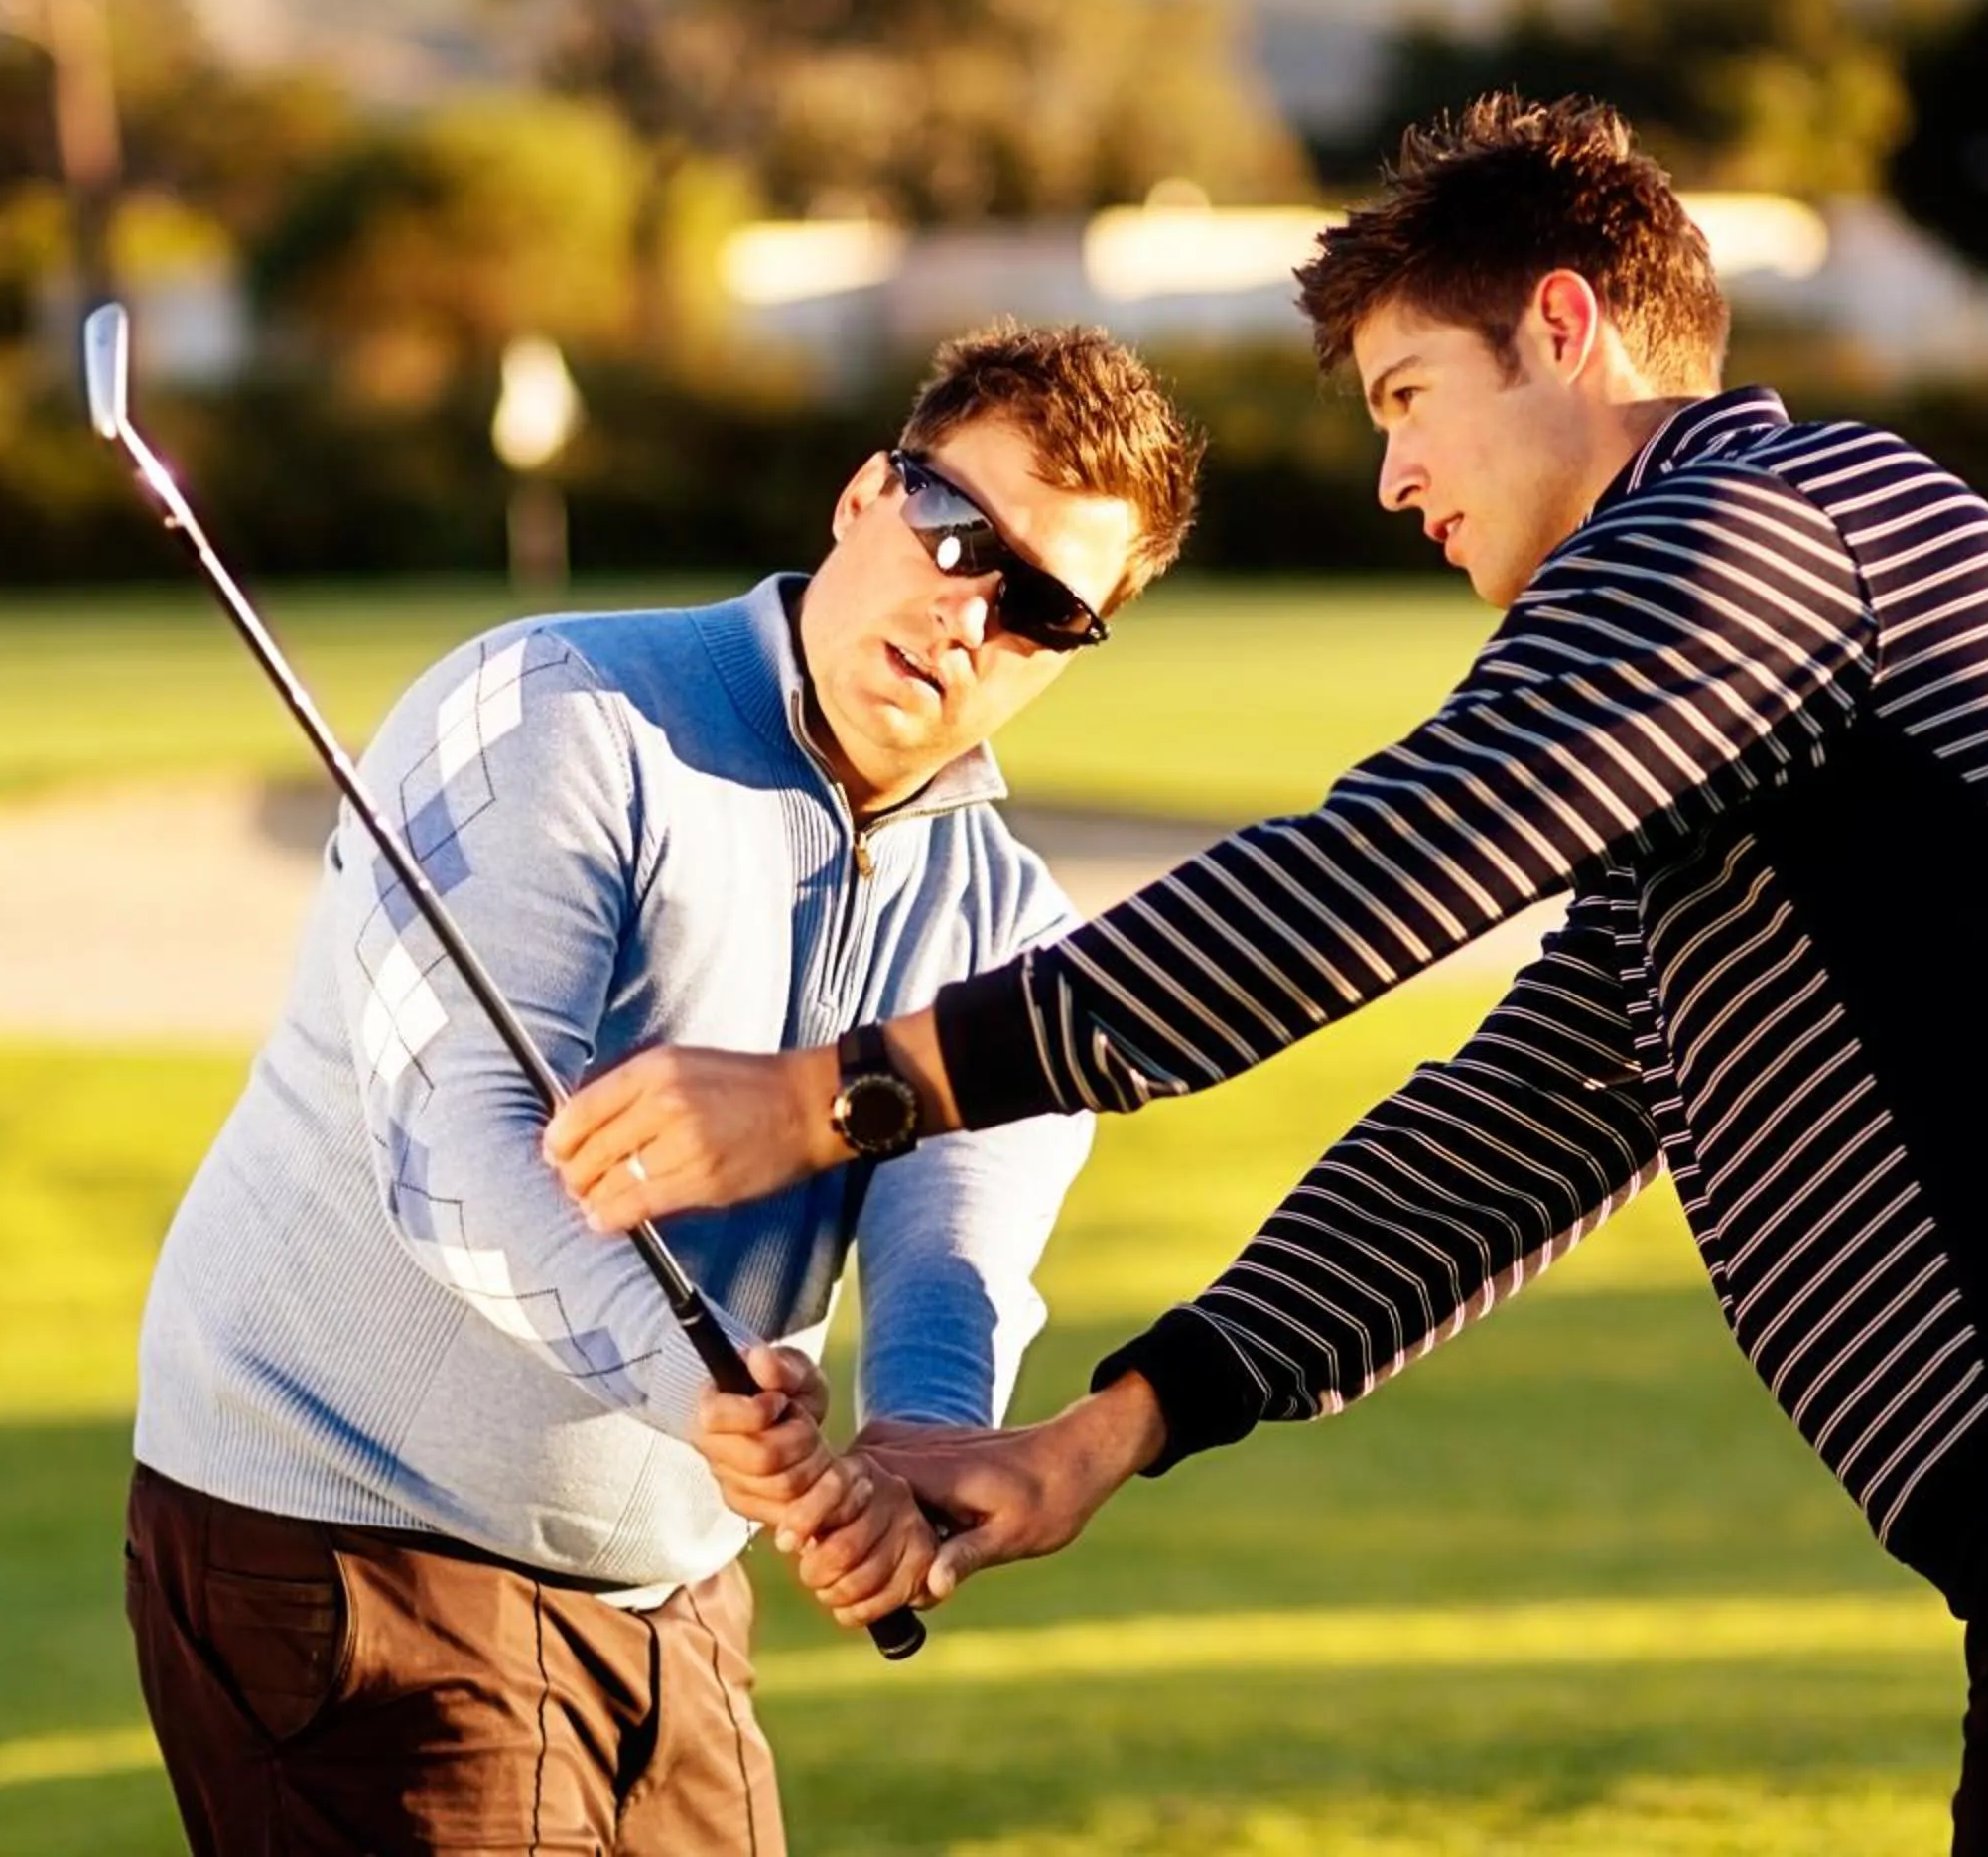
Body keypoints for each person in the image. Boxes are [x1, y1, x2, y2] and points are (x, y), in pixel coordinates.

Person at [545, 97, 1988, 1856]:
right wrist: (1110, 1429)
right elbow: (1520, 1122)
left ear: (1566, 329)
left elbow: (1369, 879)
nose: (1393, 480)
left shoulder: (1745, 537)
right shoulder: (1741, 707)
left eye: (1403, 396)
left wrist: (825, 1096)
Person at [124, 322, 1204, 1854]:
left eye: (1038, 608)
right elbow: (457, 1155)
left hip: (663, 1579)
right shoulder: (559, 709)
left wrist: (915, 1454)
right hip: (347, 1539)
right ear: (861, 498)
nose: (969, 610)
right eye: (955, 531)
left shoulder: (1005, 919)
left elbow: (959, 1234)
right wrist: (689, 1381)